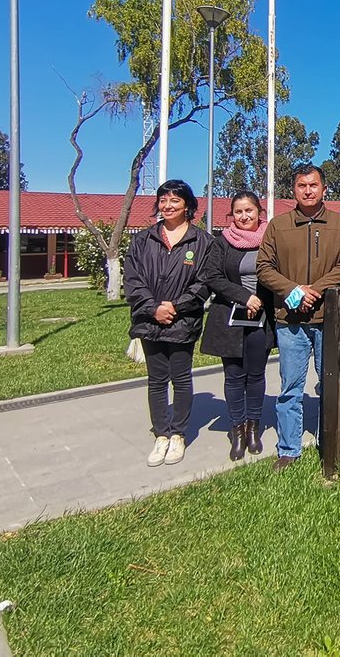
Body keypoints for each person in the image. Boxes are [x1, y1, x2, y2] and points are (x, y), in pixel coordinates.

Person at [258, 164, 340, 472]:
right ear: (294, 190)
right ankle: (289, 448)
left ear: (324, 189)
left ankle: (330, 443)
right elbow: (264, 268)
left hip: (328, 318)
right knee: (290, 387)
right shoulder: (278, 225)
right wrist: (294, 289)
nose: (308, 191)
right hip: (290, 321)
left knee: (331, 385)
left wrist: (315, 289)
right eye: (302, 186)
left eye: (313, 185)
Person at [124, 180, 214, 468]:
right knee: (156, 380)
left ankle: (178, 434)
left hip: (182, 321)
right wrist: (154, 308)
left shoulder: (202, 242)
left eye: (174, 200)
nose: (168, 205)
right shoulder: (142, 240)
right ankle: (161, 433)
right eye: (163, 199)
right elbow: (133, 281)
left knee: (182, 378)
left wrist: (176, 306)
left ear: (187, 204)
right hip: (150, 321)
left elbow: (204, 283)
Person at [200, 191, 275, 462]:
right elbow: (212, 276)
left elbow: (278, 275)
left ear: (259, 212)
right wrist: (245, 297)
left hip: (262, 320)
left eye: (249, 211)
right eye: (239, 212)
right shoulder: (222, 242)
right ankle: (238, 429)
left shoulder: (271, 239)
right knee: (234, 377)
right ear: (232, 215)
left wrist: (261, 301)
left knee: (255, 375)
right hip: (229, 319)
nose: (244, 216)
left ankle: (254, 426)